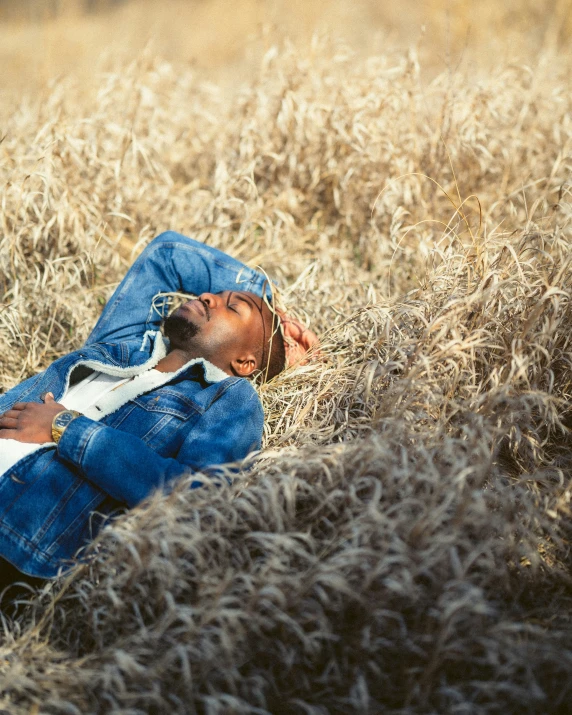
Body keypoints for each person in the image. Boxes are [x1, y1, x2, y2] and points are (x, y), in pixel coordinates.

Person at [0, 232, 318, 587]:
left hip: (14, 538)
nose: (208, 296)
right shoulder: (128, 342)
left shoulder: (231, 400)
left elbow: (193, 499)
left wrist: (65, 428)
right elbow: (166, 255)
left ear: (245, 361)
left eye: (232, 307)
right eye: (215, 295)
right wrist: (269, 299)